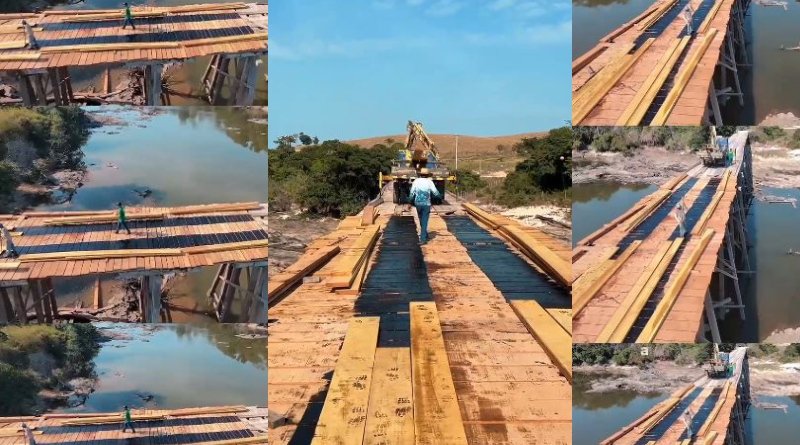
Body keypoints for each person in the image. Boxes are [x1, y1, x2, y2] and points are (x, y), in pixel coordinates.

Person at [407, 172, 441, 244]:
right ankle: (423, 239)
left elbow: (412, 193)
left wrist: (410, 202)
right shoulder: (429, 181)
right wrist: (439, 197)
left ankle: (425, 234)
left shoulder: (416, 181)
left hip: (418, 204)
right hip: (426, 204)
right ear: (427, 175)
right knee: (424, 220)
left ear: (419, 175)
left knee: (421, 219)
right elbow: (435, 192)